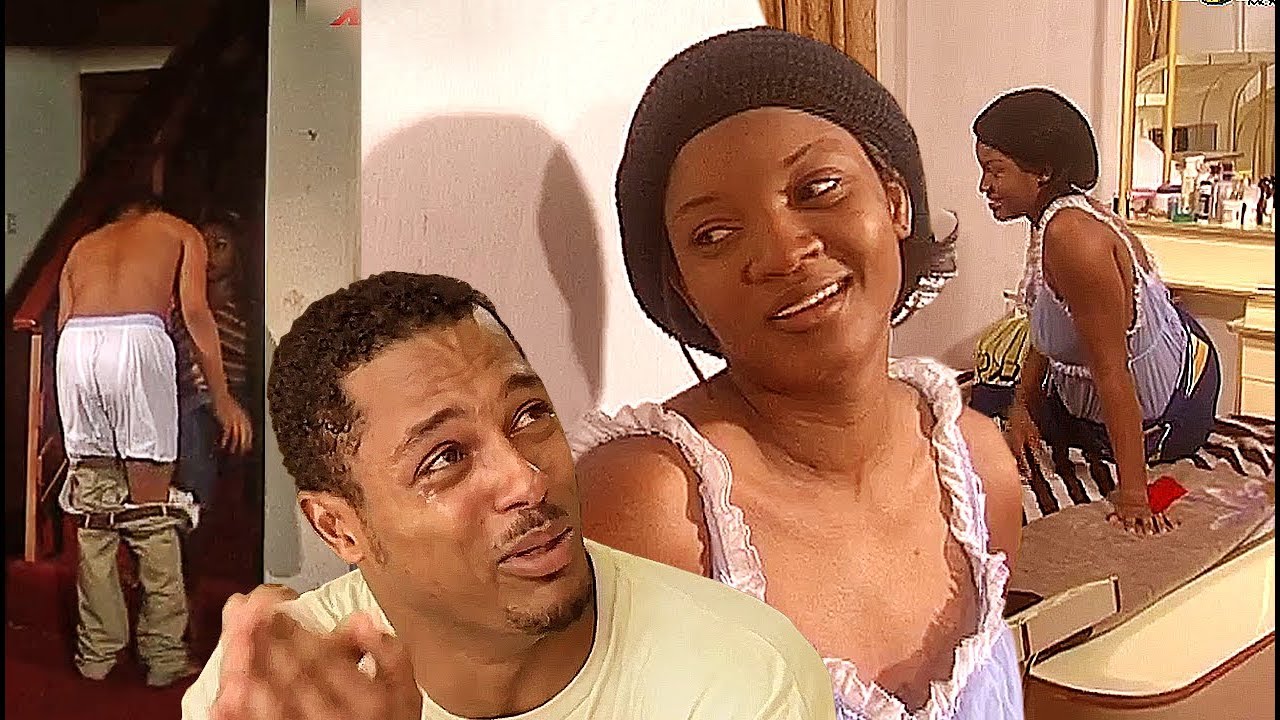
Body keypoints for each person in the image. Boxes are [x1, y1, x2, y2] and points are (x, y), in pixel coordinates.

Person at [570, 28, 1025, 720]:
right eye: (714, 234)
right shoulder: (656, 513)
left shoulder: (978, 468)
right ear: (684, 287)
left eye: (818, 188)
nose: (784, 253)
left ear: (895, 202)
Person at [182, 272, 837, 720]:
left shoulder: (743, 679)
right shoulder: (276, 692)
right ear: (338, 528)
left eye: (529, 415)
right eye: (445, 458)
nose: (526, 480)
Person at [973, 87, 1221, 536]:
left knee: (980, 414)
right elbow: (1049, 324)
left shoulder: (1073, 238)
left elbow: (1112, 372)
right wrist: (1022, 407)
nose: (983, 186)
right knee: (988, 402)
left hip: (1177, 403)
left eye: (995, 171)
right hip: (1124, 372)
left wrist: (1134, 496)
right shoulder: (1050, 219)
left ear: (1043, 171)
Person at [55, 195, 253, 686]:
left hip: (75, 348)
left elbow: (62, 325)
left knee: (95, 516)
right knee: (152, 512)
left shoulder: (83, 246)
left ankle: (97, 654)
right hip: (138, 343)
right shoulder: (178, 231)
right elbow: (196, 314)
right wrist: (223, 399)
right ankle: (163, 658)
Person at [175, 210, 252, 515]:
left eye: (220, 246)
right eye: (203, 245)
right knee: (193, 417)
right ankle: (194, 508)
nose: (209, 255)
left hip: (235, 397)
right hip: (189, 398)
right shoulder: (182, 306)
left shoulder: (245, 311)